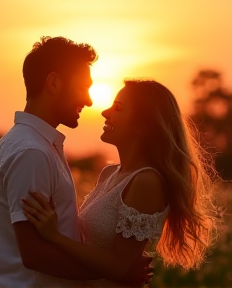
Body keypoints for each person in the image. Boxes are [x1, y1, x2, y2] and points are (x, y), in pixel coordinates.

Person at [0, 37, 152, 288]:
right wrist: (115, 273)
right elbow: (35, 255)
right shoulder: (32, 152)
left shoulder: (39, 145)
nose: (89, 101)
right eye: (83, 87)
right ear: (53, 83)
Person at [22, 79, 220, 287]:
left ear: (143, 126)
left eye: (118, 108)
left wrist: (55, 236)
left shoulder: (146, 182)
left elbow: (119, 267)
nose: (105, 112)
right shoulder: (109, 173)